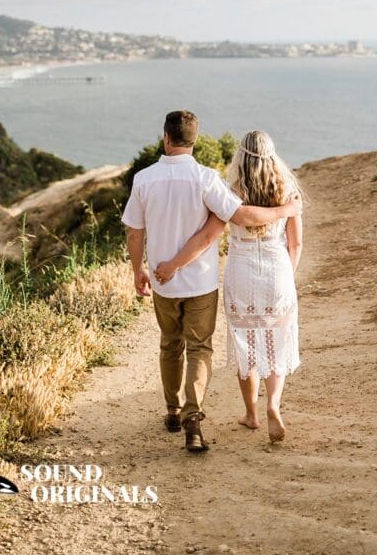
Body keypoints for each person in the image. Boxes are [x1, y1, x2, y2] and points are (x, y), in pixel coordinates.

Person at [122, 111, 301, 454]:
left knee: (170, 344)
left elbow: (134, 231)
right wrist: (285, 211)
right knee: (201, 348)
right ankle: (195, 419)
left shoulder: (144, 179)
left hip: (165, 282)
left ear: (166, 138)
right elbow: (227, 225)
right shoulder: (206, 179)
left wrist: (139, 271)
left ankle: (174, 412)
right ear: (194, 140)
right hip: (202, 283)